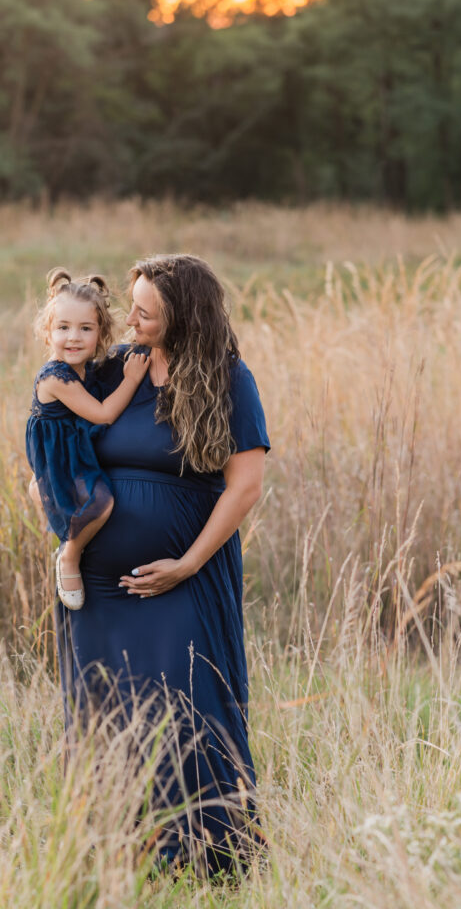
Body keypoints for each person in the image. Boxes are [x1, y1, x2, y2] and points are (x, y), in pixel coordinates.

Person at [49, 254, 271, 875]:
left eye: (147, 310)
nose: (134, 317)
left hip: (183, 575)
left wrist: (187, 564)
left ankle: (206, 857)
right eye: (134, 305)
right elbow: (57, 424)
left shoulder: (227, 378)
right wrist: (65, 520)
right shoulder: (117, 366)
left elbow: (245, 486)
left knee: (187, 704)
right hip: (96, 580)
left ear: (184, 315)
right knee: (104, 708)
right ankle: (112, 851)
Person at [26, 268, 150, 609]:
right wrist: (133, 378)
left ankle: (43, 490)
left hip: (75, 443)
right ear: (48, 332)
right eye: (62, 328)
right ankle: (69, 554)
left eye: (85, 328)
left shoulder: (84, 368)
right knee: (100, 503)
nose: (73, 338)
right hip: (60, 453)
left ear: (100, 332)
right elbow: (104, 413)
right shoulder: (55, 377)